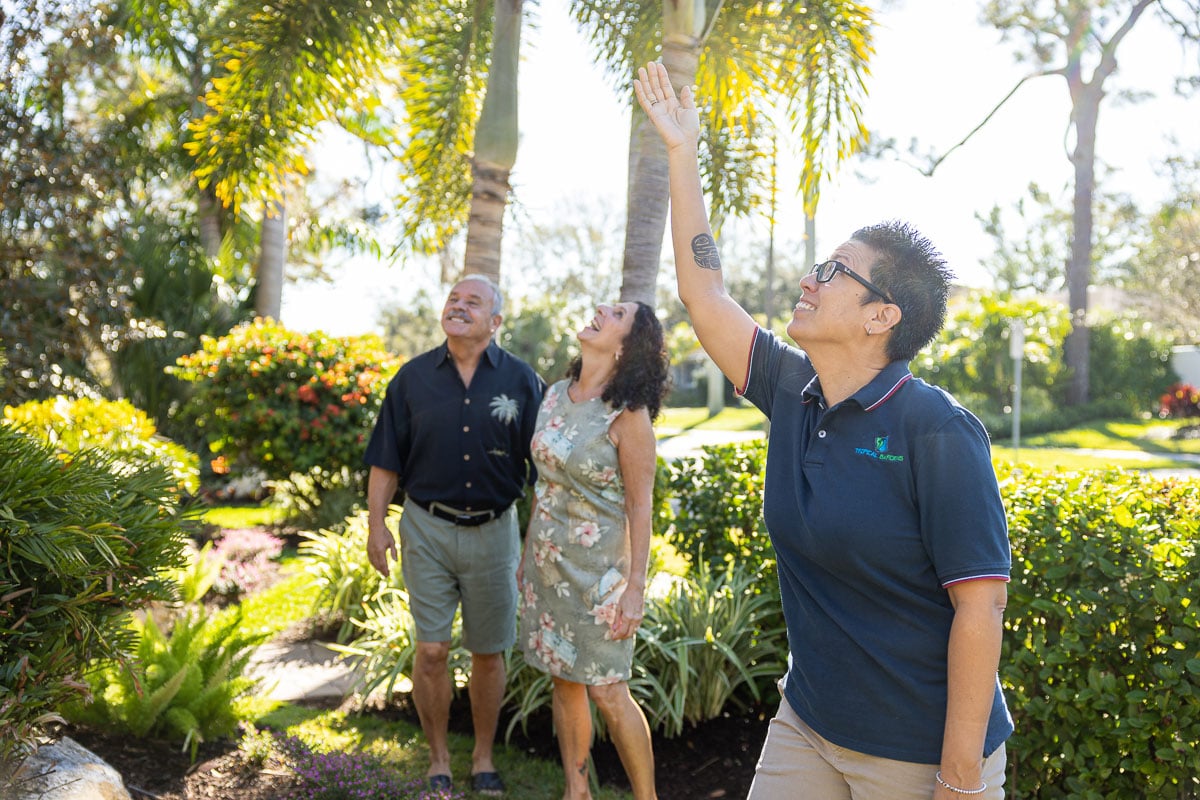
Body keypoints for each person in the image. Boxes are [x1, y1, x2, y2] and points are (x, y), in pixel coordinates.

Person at [633, 62, 1013, 800]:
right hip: (807, 724)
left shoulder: (937, 430)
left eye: (834, 272)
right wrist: (683, 154)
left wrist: (959, 779)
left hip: (916, 751)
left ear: (883, 316)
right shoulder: (791, 390)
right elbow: (703, 291)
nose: (810, 280)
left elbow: (981, 604)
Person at [364, 274, 545, 796]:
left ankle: (483, 757)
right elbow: (384, 460)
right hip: (427, 526)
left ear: (496, 322)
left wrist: (535, 541)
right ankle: (438, 757)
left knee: (489, 652)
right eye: (453, 299)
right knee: (433, 650)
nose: (458, 307)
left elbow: (544, 468)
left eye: (473, 302)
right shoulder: (411, 379)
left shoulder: (521, 380)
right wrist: (377, 526)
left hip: (495, 530)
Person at [518, 300, 670, 800]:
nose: (603, 308)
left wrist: (634, 590)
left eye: (619, 313)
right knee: (564, 678)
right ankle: (576, 790)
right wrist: (525, 555)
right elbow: (543, 485)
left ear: (629, 345)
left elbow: (640, 506)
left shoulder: (629, 416)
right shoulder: (556, 394)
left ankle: (646, 797)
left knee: (608, 690)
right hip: (547, 565)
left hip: (601, 577)